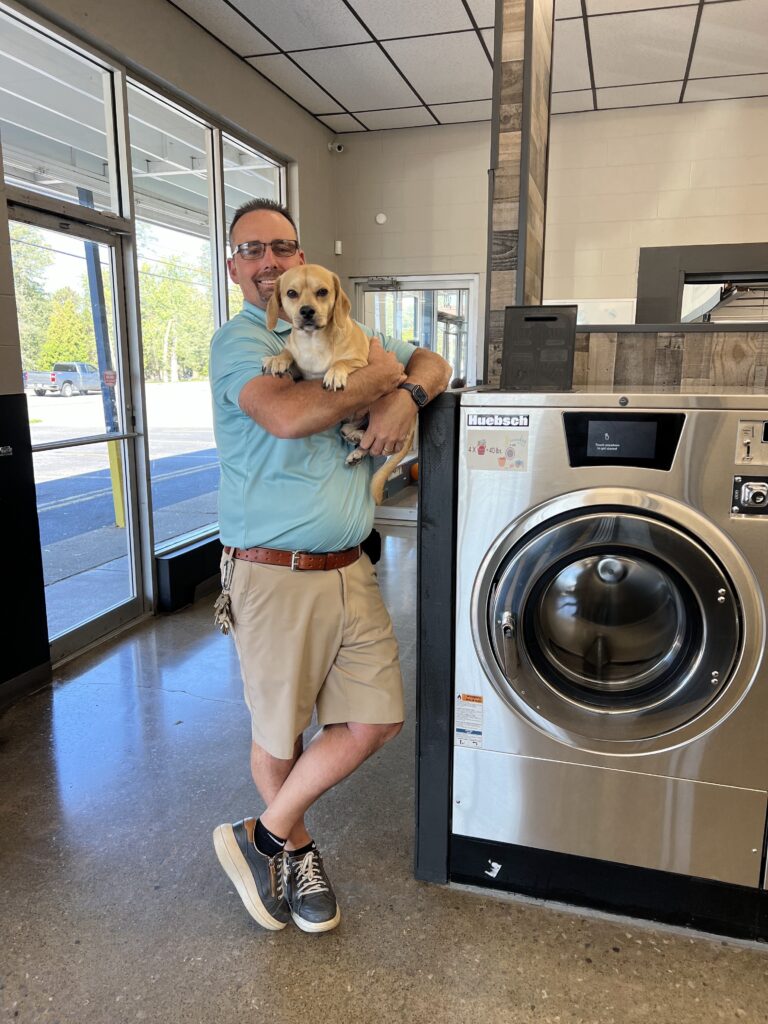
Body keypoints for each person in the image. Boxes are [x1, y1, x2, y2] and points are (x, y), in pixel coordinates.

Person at [209, 197, 452, 934]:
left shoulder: (355, 333)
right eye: (252, 252)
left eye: (282, 248)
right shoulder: (241, 341)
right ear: (237, 271)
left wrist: (406, 393)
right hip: (274, 569)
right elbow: (288, 415)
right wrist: (378, 380)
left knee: (376, 719)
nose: (270, 263)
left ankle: (261, 836)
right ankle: (298, 849)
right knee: (278, 737)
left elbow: (434, 361)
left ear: (308, 265)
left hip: (351, 566)